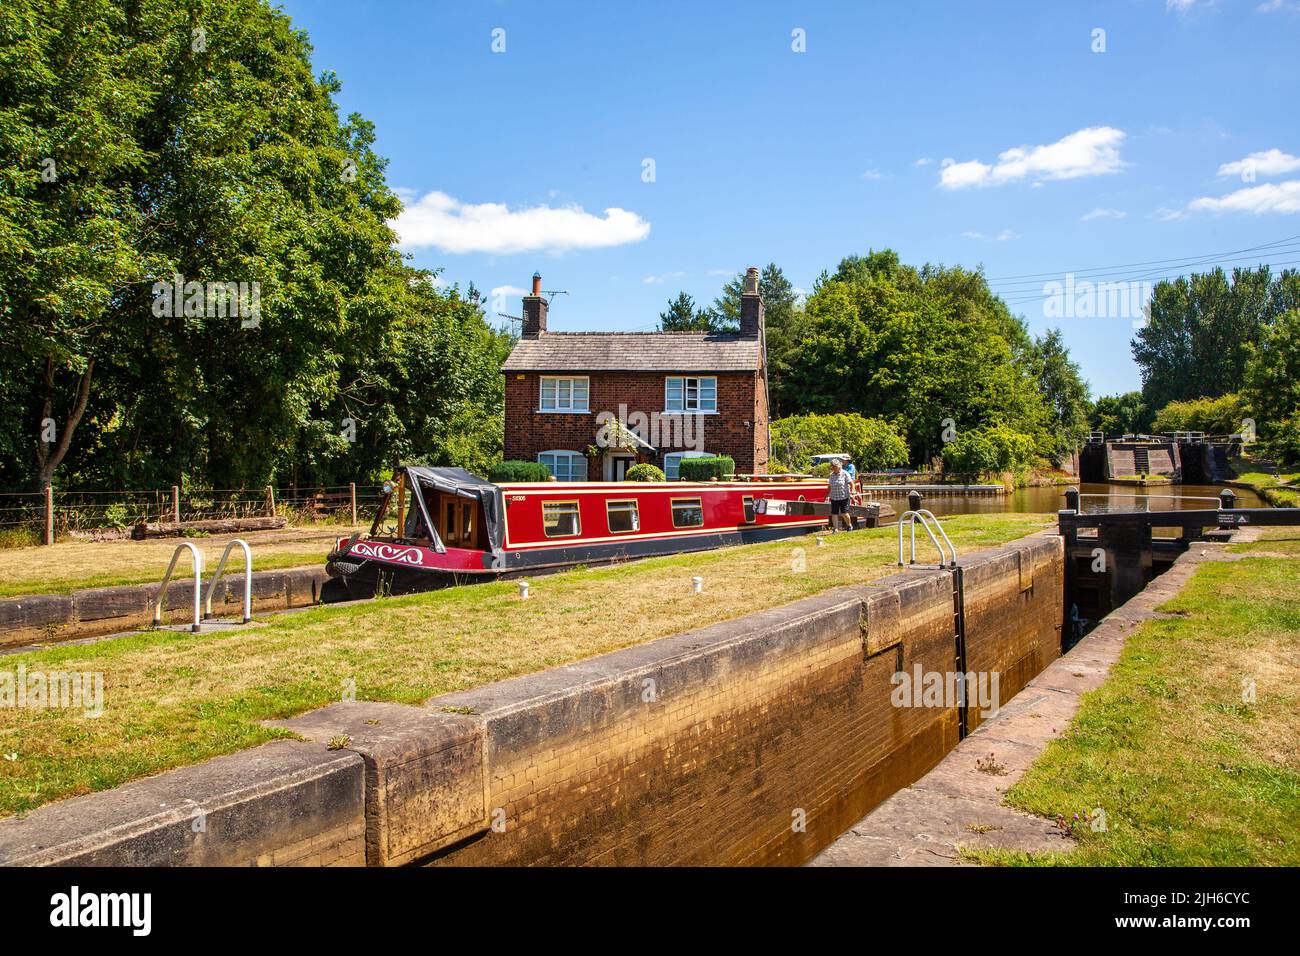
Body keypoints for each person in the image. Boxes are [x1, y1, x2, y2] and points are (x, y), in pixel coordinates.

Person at [827, 457, 853, 532]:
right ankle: (835, 529)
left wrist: (853, 491)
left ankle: (849, 525)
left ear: (839, 466)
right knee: (834, 513)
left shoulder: (845, 473)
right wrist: (826, 496)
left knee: (844, 513)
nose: (834, 469)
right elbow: (829, 486)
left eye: (835, 467)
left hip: (843, 496)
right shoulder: (831, 475)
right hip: (834, 497)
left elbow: (851, 483)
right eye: (833, 467)